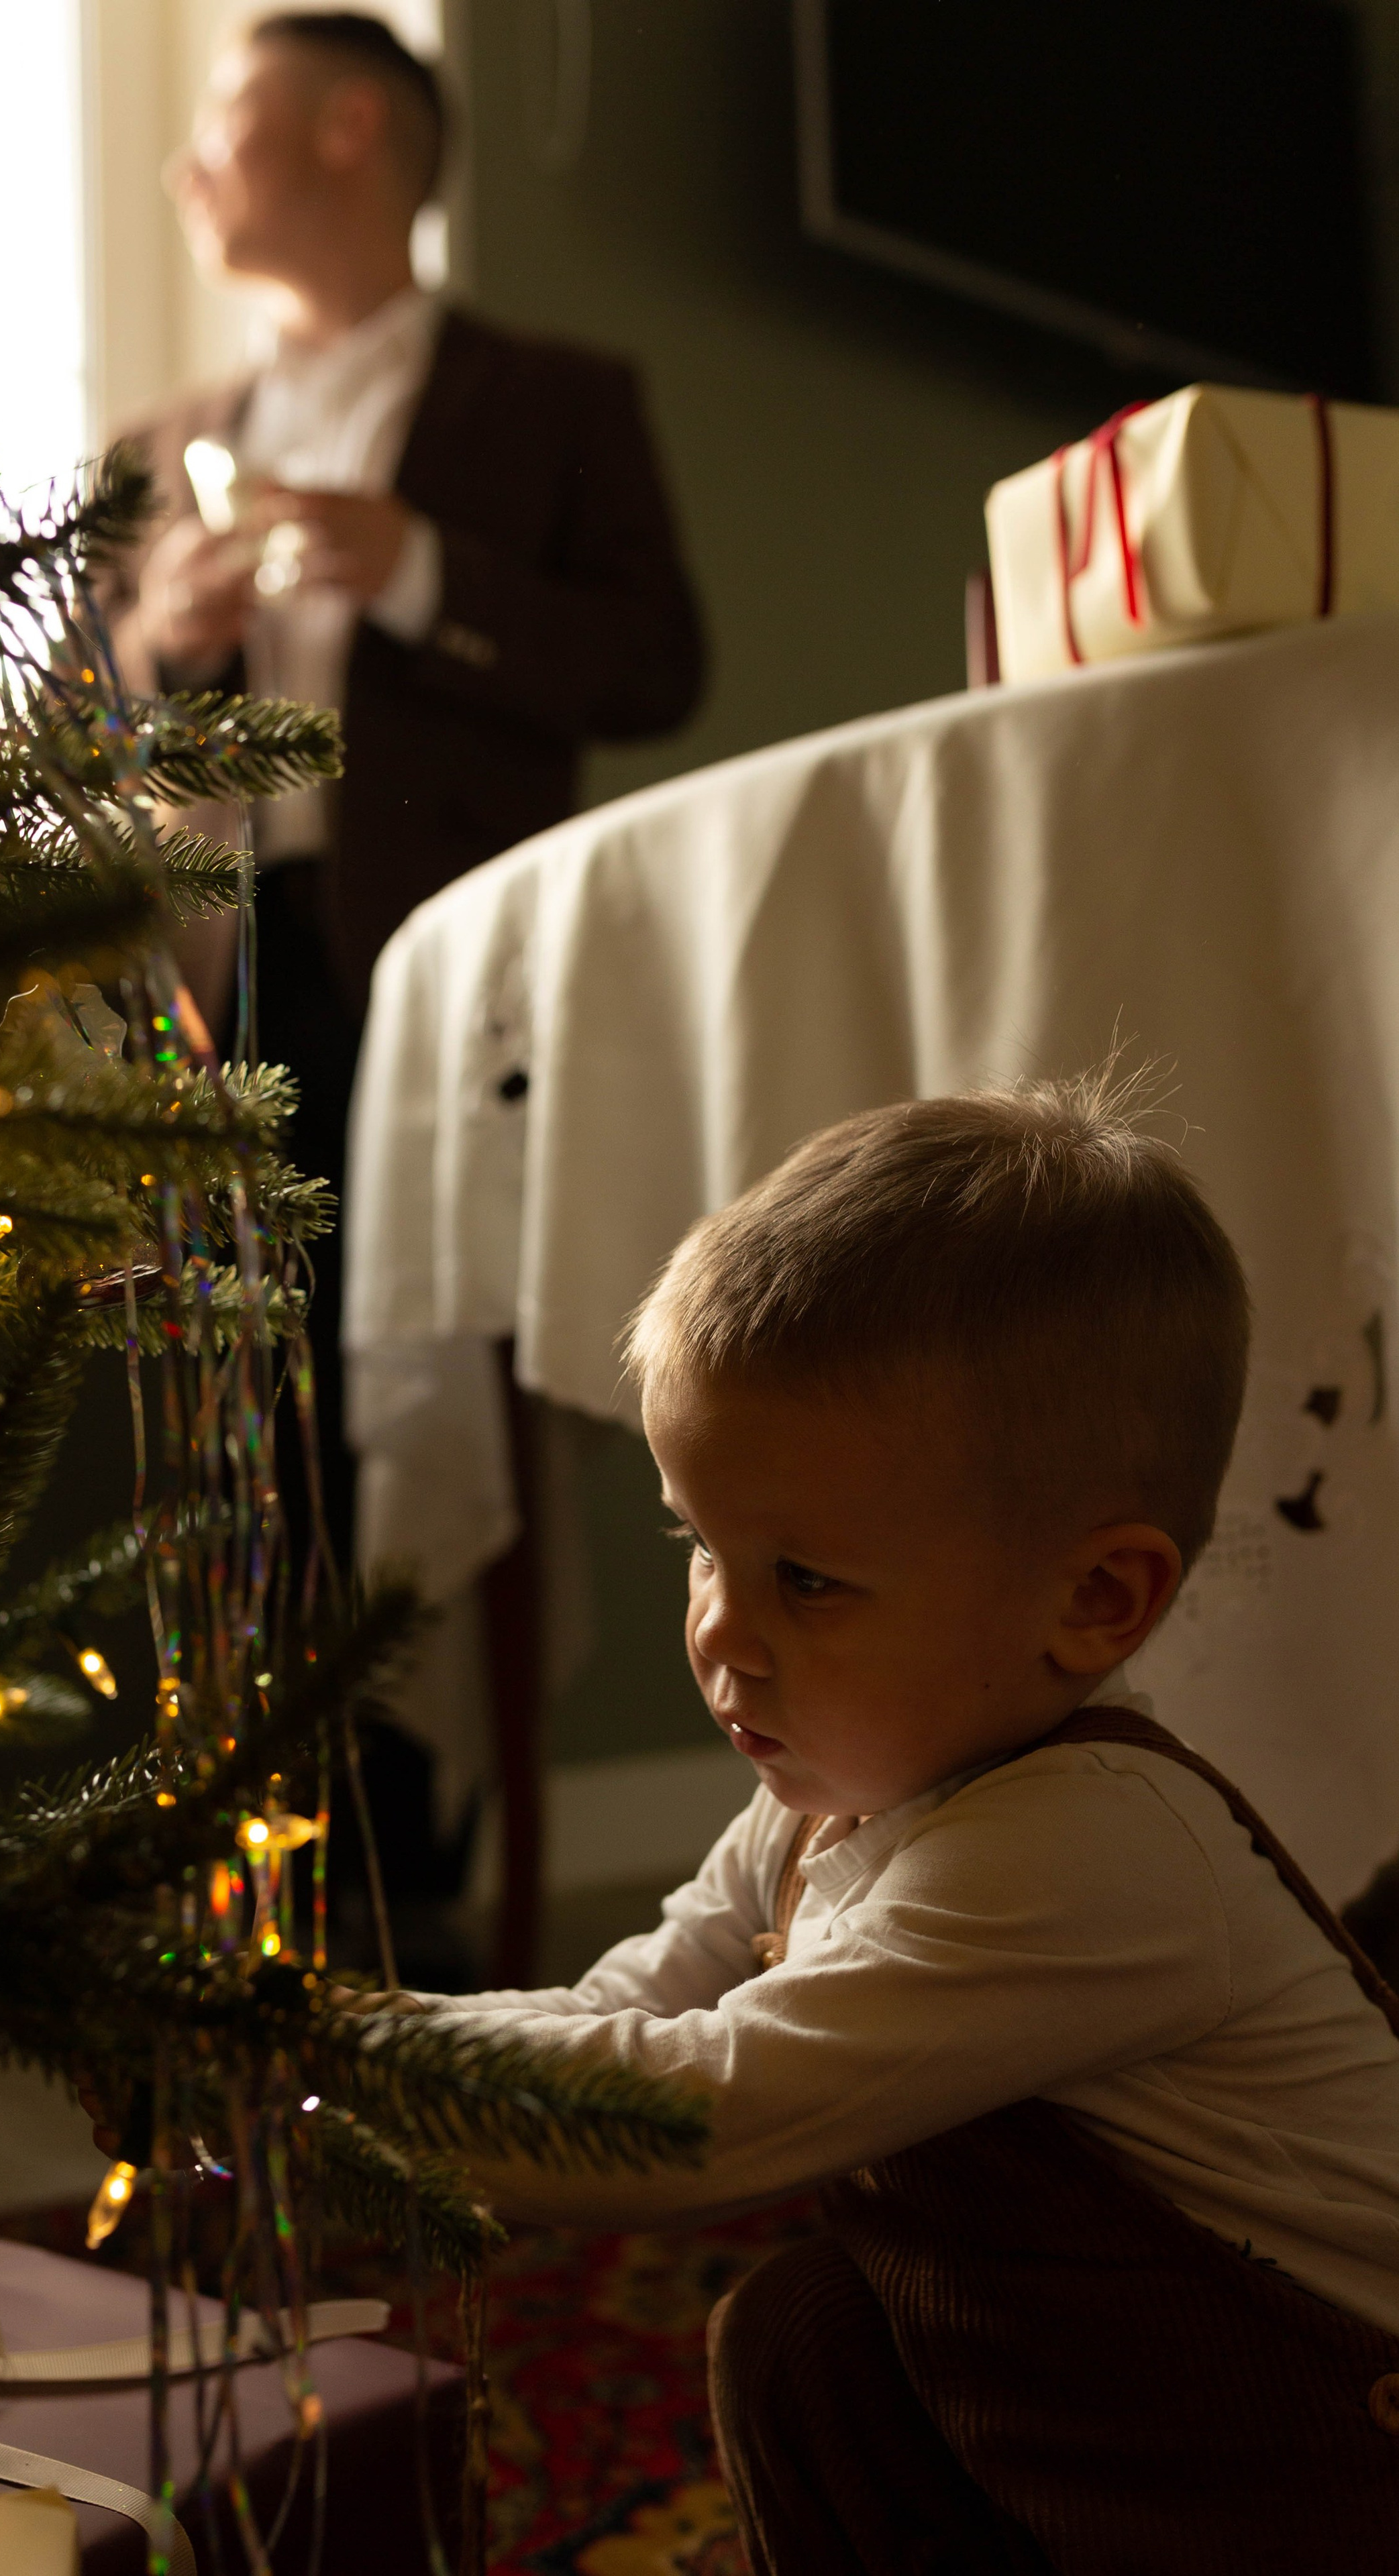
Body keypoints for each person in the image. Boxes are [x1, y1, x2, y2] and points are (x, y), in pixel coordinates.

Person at [376, 1075, 1399, 2570]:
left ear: (1092, 1601)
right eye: (696, 1548)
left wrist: (315, 2061)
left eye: (806, 1580)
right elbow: (623, 2016)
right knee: (807, 2335)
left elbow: (687, 2114)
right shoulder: (818, 1800)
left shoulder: (1090, 1852)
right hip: (1100, 2407)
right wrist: (339, 2055)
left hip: (1318, 2461)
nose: (722, 1637)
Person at [95, 8, 705, 1594]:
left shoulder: (559, 400)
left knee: (422, 1398)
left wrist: (423, 573)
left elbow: (658, 666)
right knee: (230, 1400)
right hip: (217, 980)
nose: (181, 166)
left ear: (349, 131)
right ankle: (245, 1797)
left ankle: (417, 1819)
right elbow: (66, 723)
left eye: (222, 122)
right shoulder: (154, 449)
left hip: (452, 974)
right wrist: (162, 642)